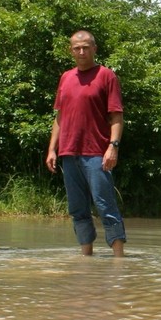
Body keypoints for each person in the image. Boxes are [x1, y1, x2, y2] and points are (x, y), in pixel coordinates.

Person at [46, 30, 127, 257]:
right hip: (69, 152)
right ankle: (86, 256)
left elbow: (116, 116)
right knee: (77, 209)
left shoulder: (106, 76)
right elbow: (60, 117)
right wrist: (52, 149)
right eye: (77, 48)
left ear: (94, 49)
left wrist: (113, 146)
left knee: (105, 206)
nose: (81, 52)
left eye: (86, 47)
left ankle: (119, 259)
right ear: (71, 51)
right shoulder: (66, 77)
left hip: (96, 153)